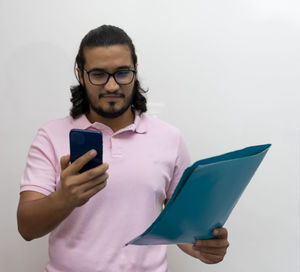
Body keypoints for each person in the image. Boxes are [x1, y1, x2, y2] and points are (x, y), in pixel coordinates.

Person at [17, 25, 229, 272]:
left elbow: (180, 226)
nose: (111, 86)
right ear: (80, 74)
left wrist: (204, 247)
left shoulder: (170, 138)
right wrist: (65, 199)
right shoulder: (51, 136)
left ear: (135, 71)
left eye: (122, 73)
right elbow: (27, 228)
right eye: (98, 74)